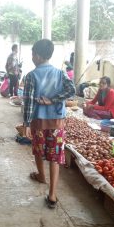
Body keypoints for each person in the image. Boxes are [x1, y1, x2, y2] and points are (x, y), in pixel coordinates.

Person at [23, 39, 75, 209]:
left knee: (38, 150)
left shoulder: (31, 76)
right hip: (57, 122)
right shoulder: (61, 73)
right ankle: (52, 194)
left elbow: (29, 102)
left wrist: (26, 124)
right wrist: (53, 100)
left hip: (38, 121)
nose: (31, 57)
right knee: (55, 155)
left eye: (32, 54)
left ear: (37, 56)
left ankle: (41, 176)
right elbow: (72, 90)